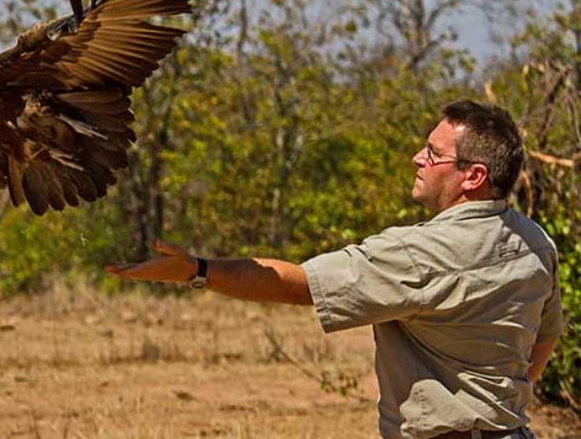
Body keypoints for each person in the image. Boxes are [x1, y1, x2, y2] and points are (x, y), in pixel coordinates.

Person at [105, 100, 564, 439]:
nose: (417, 159)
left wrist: (198, 269)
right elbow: (545, 338)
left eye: (432, 153)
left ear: (474, 176)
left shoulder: (420, 253)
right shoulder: (536, 243)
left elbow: (298, 285)